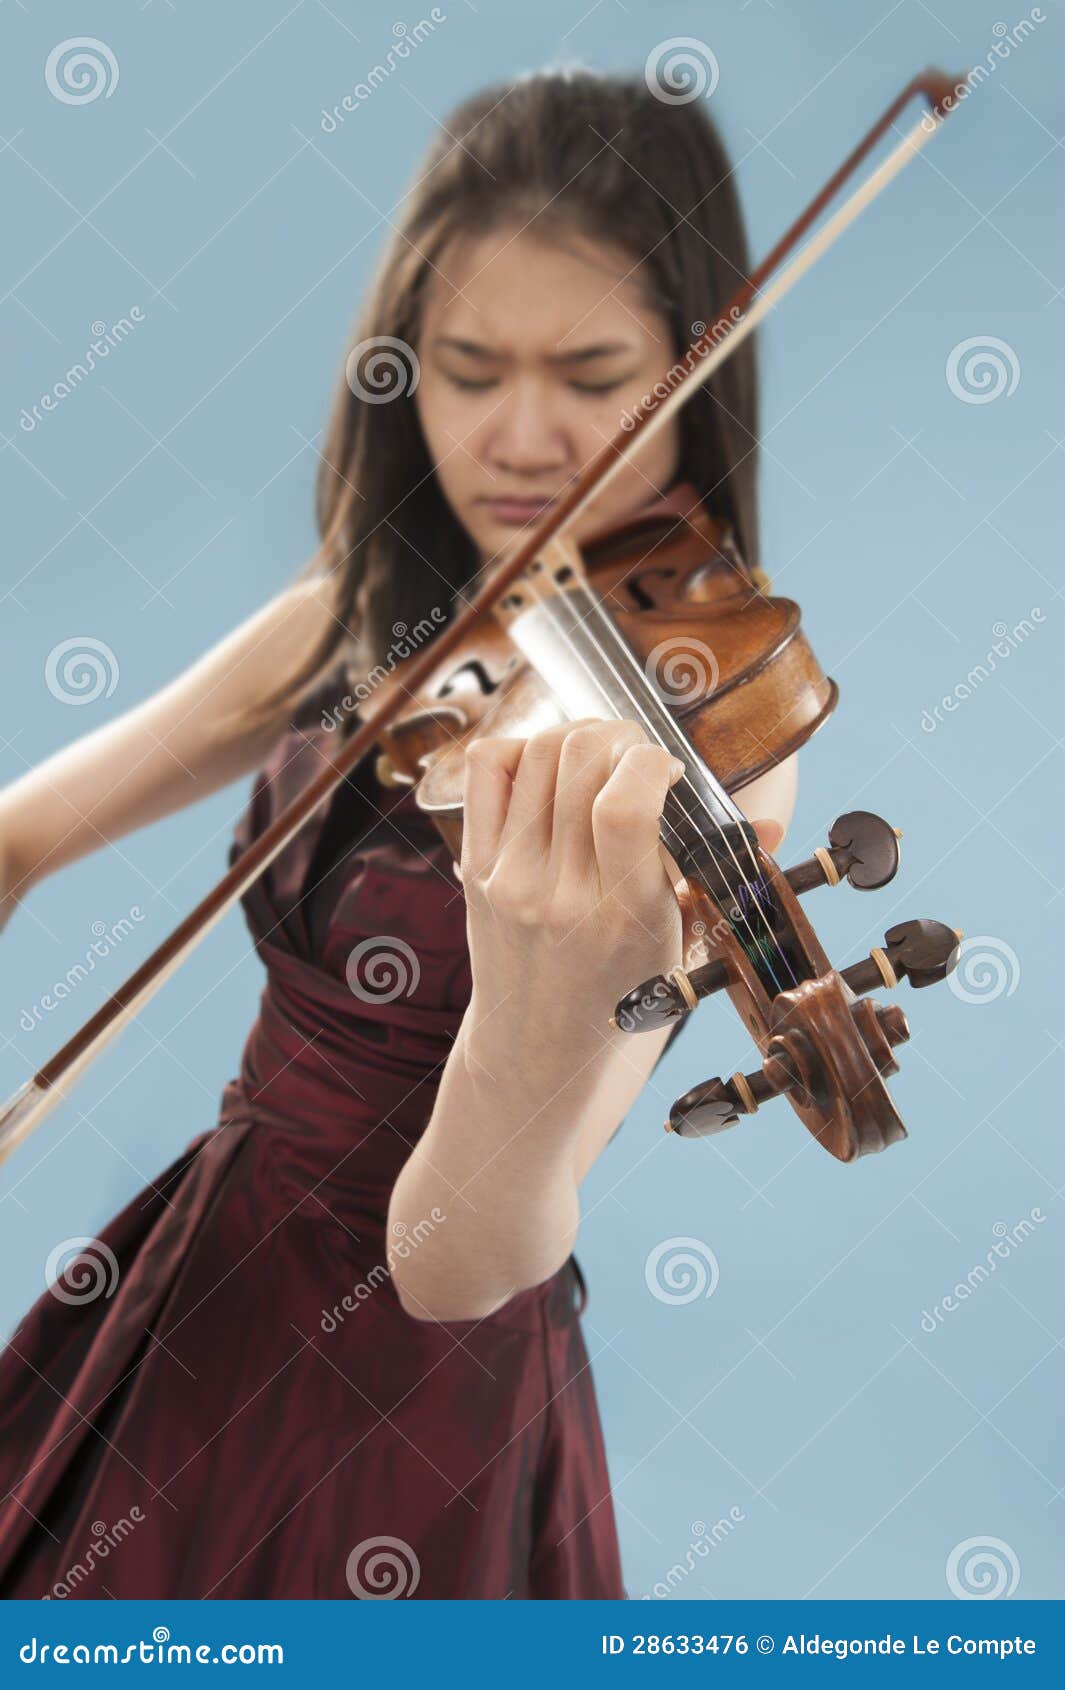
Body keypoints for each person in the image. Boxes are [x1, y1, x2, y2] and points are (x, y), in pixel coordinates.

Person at [0, 67, 796, 1599]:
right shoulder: (363, 617)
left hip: (426, 1402)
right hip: (201, 1283)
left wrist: (541, 1002)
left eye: (590, 373)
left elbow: (457, 1257)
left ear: (700, 366)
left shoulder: (716, 761)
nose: (518, 437)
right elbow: (17, 835)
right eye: (465, 367)